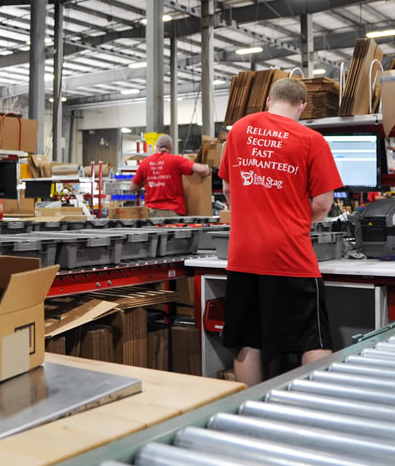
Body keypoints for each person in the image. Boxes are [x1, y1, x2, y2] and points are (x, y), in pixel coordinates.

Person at [219, 77, 344, 386]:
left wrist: (252, 214)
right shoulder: (311, 139)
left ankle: (248, 413)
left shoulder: (239, 131)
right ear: (302, 106)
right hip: (289, 257)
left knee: (248, 340)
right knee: (312, 339)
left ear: (268, 101)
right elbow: (323, 204)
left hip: (242, 255)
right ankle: (314, 414)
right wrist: (291, 221)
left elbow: (226, 187)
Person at [131, 134, 211, 218]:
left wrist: (146, 180)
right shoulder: (176, 160)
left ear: (157, 146)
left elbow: (132, 188)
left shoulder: (145, 163)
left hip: (151, 214)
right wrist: (208, 169)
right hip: (172, 213)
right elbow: (203, 170)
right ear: (171, 146)